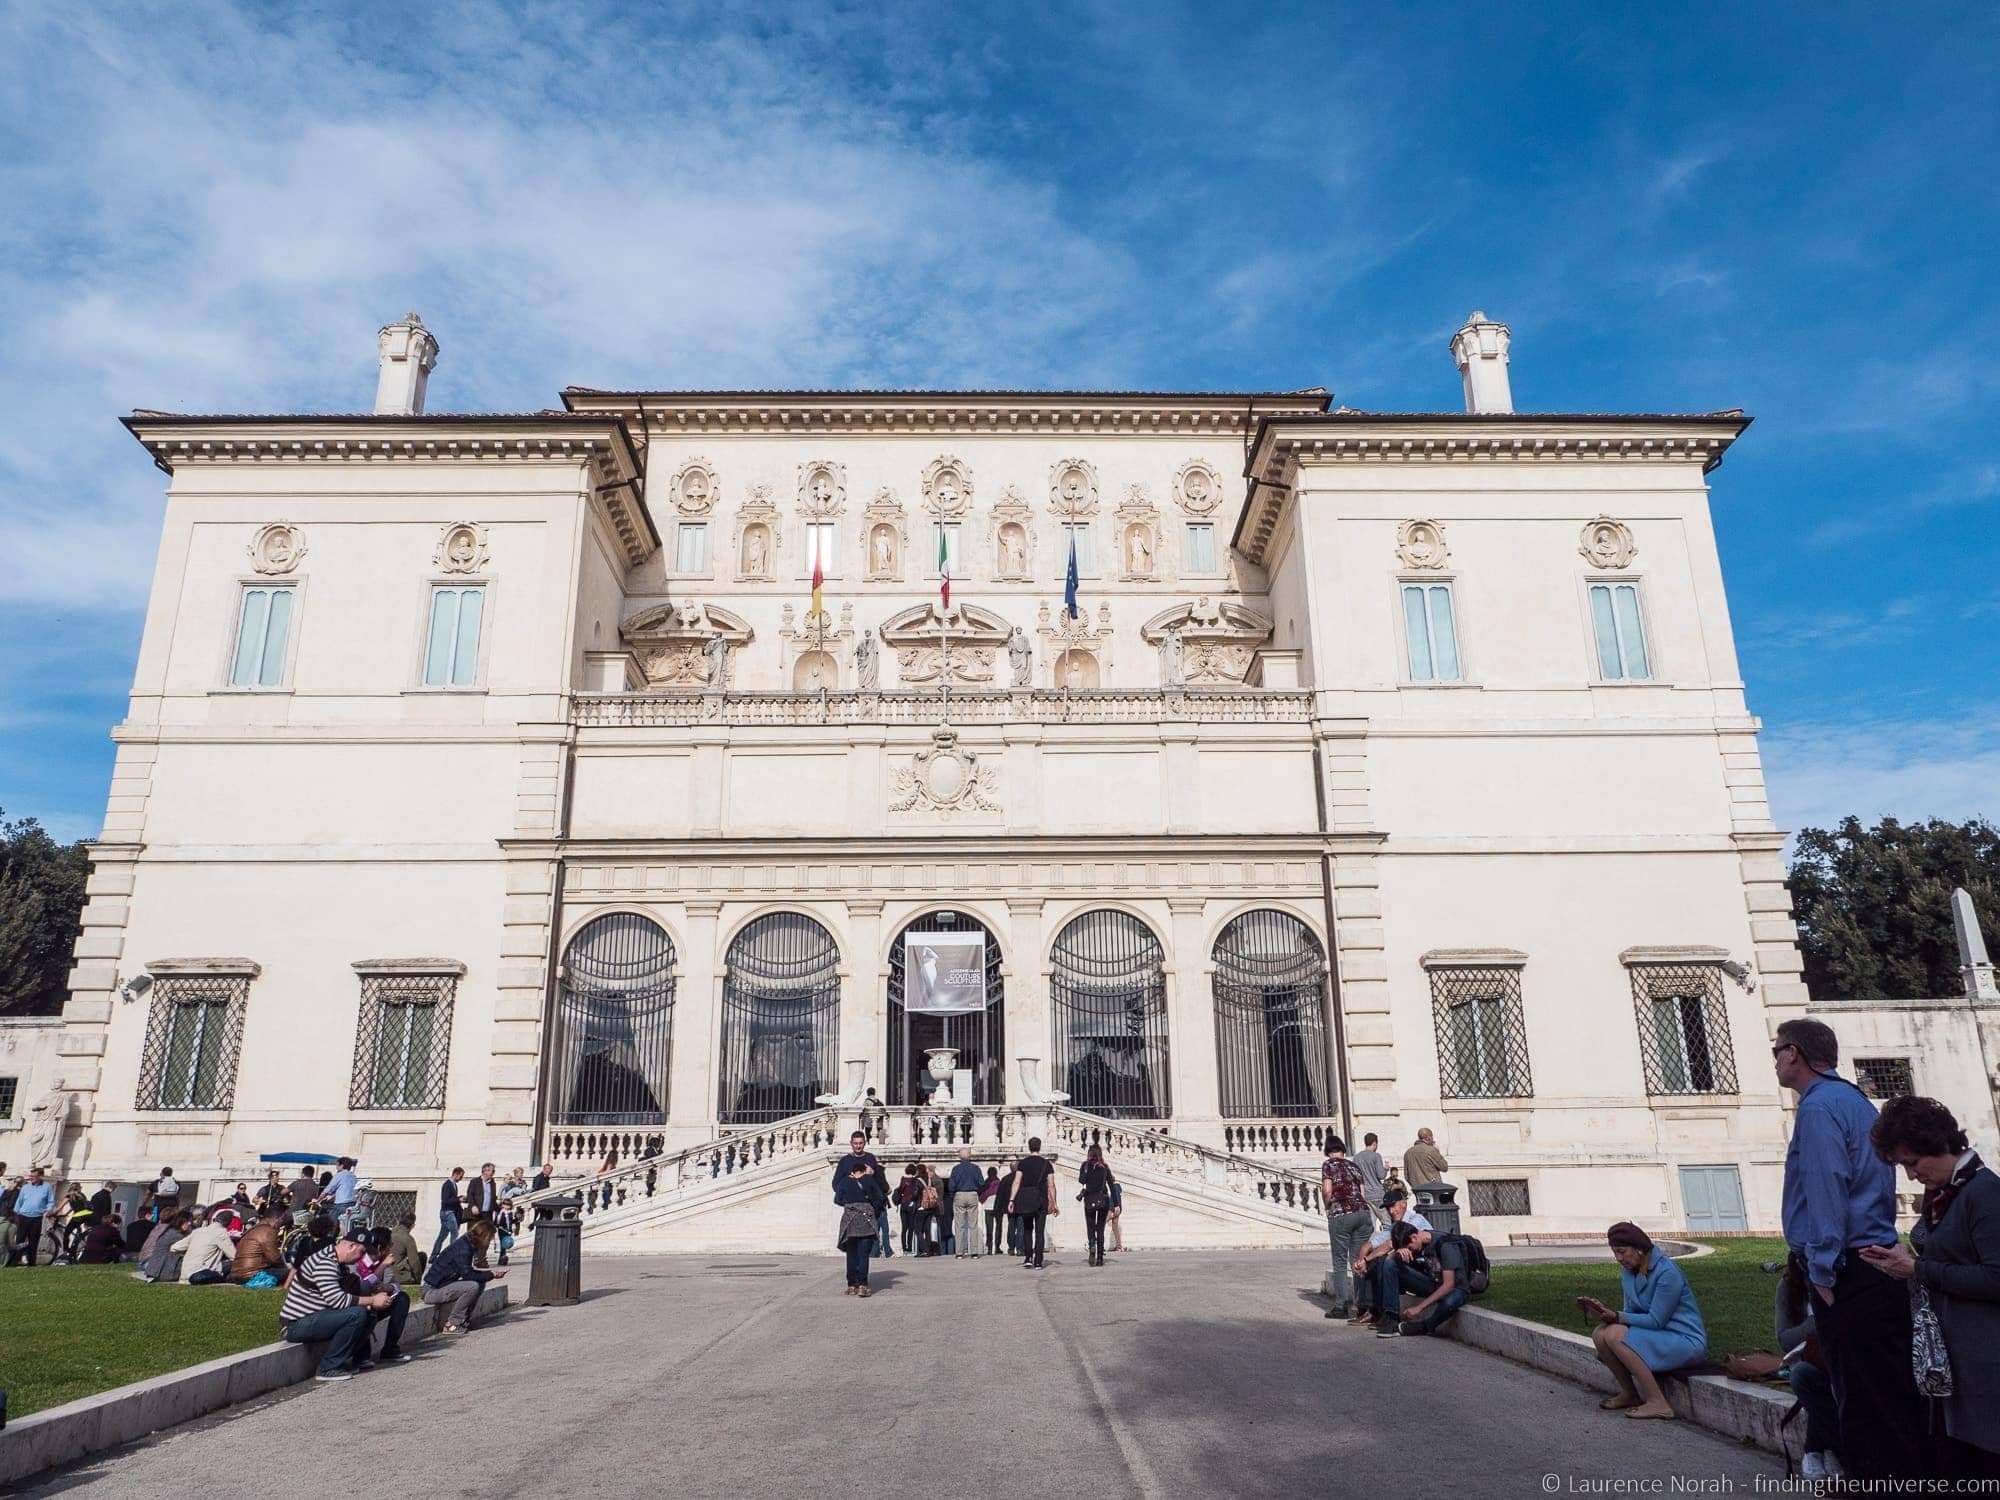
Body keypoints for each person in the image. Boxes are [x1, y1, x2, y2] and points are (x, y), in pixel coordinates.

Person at [1775, 1017, 1923, 1481]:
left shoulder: (1819, 1108)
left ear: (1794, 1053)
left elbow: (1826, 1189)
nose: (1776, 1060)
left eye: (1777, 1050)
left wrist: (1820, 1269)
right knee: (1887, 1392)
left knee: (1861, 1396)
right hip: (1875, 1258)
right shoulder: (1856, 1101)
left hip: (1848, 1268)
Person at [1864, 1094, 2000, 1479]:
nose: (1910, 1175)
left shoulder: (1983, 1193)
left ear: (1936, 1145)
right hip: (1955, 1362)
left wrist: (1918, 1269)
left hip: (1986, 1365)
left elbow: (1995, 1277)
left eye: (1912, 1162)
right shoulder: (1946, 1194)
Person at [1577, 1222, 1705, 1419]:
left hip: (1683, 1340)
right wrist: (1604, 1314)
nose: (1618, 1258)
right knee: (1601, 1333)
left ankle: (1658, 1402)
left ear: (1638, 1248)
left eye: (1622, 1251)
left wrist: (1617, 1317)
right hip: (1656, 1336)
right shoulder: (1628, 1273)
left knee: (1614, 1334)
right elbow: (1630, 1314)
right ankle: (1630, 1394)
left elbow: (1656, 1320)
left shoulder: (1667, 1273)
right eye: (1615, 1252)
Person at [280, 1229, 407, 1381]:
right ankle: (328, 1367)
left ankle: (356, 1358)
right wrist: (372, 1301)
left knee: (369, 1313)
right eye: (362, 1251)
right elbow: (338, 1300)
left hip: (319, 1316)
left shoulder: (338, 1262)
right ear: (351, 1246)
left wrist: (377, 1296)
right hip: (297, 1324)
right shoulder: (325, 1262)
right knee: (357, 1314)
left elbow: (354, 1289)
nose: (362, 1256)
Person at [1773, 1251, 1843, 1481]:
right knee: (1803, 1376)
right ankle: (1831, 1449)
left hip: (1841, 1356)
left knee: (1833, 1381)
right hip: (1809, 1359)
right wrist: (1816, 1321)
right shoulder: (1788, 1288)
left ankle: (1816, 1449)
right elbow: (1784, 1340)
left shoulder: (1841, 1277)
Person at [1348, 1188, 1432, 1327]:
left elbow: (1391, 1244)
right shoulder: (1395, 1226)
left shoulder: (1416, 1220)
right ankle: (1371, 1311)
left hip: (1424, 1272)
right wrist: (1361, 1261)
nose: (1391, 1211)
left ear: (1404, 1203)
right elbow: (1368, 1245)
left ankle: (1385, 1314)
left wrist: (1366, 1260)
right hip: (1408, 1269)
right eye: (1387, 1208)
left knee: (1382, 1261)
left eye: (1393, 1206)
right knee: (1374, 1259)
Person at [1386, 1220, 1473, 1337]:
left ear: (1414, 1237)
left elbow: (1449, 1284)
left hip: (1456, 1288)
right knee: (1390, 1265)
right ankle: (1390, 1316)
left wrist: (1419, 1307)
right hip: (1433, 1282)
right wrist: (1396, 1253)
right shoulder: (1419, 1242)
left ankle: (1425, 1326)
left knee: (1449, 1302)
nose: (1410, 1252)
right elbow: (1388, 1262)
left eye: (1410, 1248)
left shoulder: (1445, 1244)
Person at [1320, 1135, 1373, 1320]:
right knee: (1359, 1260)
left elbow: (1327, 1190)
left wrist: (1327, 1206)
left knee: (1340, 1261)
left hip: (1341, 1214)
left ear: (1328, 1150)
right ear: (1343, 1149)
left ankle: (1341, 1306)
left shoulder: (1329, 1165)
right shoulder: (1354, 1166)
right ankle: (1363, 1305)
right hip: (1362, 1213)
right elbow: (1362, 1193)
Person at [423, 1218, 505, 1332]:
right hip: (431, 1291)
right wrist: (491, 1274)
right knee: (472, 1286)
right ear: (484, 1237)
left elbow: (469, 1273)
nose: (489, 1242)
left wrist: (488, 1274)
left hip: (441, 1286)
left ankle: (463, 1320)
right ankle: (452, 1324)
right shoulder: (463, 1249)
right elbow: (468, 1275)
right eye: (490, 1239)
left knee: (480, 1282)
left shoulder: (466, 1244)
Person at [835, 1158, 882, 1296]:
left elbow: (837, 1199)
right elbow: (880, 1198)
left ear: (852, 1171)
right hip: (866, 1219)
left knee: (851, 1255)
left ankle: (851, 1285)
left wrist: (850, 1204)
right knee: (863, 1256)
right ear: (864, 1170)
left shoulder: (845, 1181)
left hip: (850, 1220)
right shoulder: (869, 1180)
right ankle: (862, 1285)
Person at [1009, 1138, 1056, 1270]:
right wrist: (1054, 1202)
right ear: (1039, 1147)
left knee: (1027, 1229)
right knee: (1039, 1230)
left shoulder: (1023, 1163)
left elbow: (1016, 1182)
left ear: (1029, 1147)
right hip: (1041, 1199)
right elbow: (1051, 1185)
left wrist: (1012, 1200)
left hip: (1026, 1199)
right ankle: (1038, 1261)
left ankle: (1028, 1257)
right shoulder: (1046, 1164)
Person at [172, 1209, 236, 1284]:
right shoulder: (221, 1233)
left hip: (185, 1275)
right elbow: (234, 1256)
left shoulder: (198, 1231)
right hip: (202, 1273)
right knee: (233, 1263)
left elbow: (174, 1247)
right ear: (229, 1222)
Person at [9, 1166, 55, 1265]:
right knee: (19, 1240)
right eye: (31, 1176)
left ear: (41, 1176)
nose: (31, 1178)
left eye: (34, 1176)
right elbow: (19, 1202)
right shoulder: (25, 1187)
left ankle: (31, 1263)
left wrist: (48, 1210)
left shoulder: (47, 1187)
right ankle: (14, 1262)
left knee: (33, 1241)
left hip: (36, 1218)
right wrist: (15, 1214)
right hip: (23, 1216)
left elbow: (50, 1201)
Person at [1078, 1144, 1115, 1267]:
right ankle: (1099, 1258)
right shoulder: (1104, 1167)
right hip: (1103, 1199)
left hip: (1089, 1198)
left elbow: (1082, 1180)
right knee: (1100, 1229)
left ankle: (1092, 1246)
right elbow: (1111, 1185)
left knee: (1090, 1226)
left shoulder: (1085, 1166)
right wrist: (1115, 1204)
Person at [228, 1210, 287, 1283]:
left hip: (237, 1274)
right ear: (276, 1218)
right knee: (293, 1272)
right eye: (281, 1219)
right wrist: (286, 1264)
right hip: (252, 1275)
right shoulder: (268, 1231)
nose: (281, 1223)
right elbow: (274, 1258)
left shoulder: (253, 1229)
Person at [949, 1147, 986, 1259]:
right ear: (970, 1156)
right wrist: (977, 1192)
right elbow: (981, 1183)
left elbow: (951, 1185)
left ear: (960, 1157)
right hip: (972, 1194)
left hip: (959, 1194)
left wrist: (953, 1196)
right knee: (973, 1225)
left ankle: (959, 1252)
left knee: (959, 1225)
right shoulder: (975, 1168)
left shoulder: (956, 1169)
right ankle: (974, 1252)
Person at [138, 1210, 192, 1280]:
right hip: (162, 1271)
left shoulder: (168, 1230)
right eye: (187, 1221)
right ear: (181, 1222)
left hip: (152, 1268)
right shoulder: (177, 1235)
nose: (190, 1223)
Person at [1354, 1132, 1389, 1228]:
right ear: (1374, 1143)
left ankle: (1372, 1242)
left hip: (1365, 1194)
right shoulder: (1376, 1156)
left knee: (1370, 1225)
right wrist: (1386, 1168)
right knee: (1387, 1223)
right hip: (1377, 1193)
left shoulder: (1356, 1157)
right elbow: (1381, 1175)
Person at [385, 1212, 424, 1286]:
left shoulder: (389, 1233)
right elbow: (414, 1262)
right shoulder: (408, 1238)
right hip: (399, 1277)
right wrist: (418, 1279)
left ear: (398, 1221)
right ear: (412, 1225)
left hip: (384, 1272)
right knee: (422, 1256)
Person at [435, 1166, 465, 1257]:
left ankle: (433, 1256)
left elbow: (452, 1199)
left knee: (442, 1236)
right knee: (454, 1233)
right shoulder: (447, 1184)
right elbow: (445, 1200)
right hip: (448, 1212)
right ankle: (453, 1256)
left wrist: (459, 1199)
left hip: (448, 1212)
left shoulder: (454, 1185)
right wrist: (458, 1199)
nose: (461, 1178)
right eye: (461, 1176)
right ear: (456, 1174)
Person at [895, 1164, 922, 1253]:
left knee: (904, 1228)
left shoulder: (903, 1179)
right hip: (911, 1205)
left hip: (903, 1204)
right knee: (911, 1227)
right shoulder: (915, 1180)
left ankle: (904, 1247)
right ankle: (910, 1247)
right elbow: (916, 1193)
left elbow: (900, 1191)